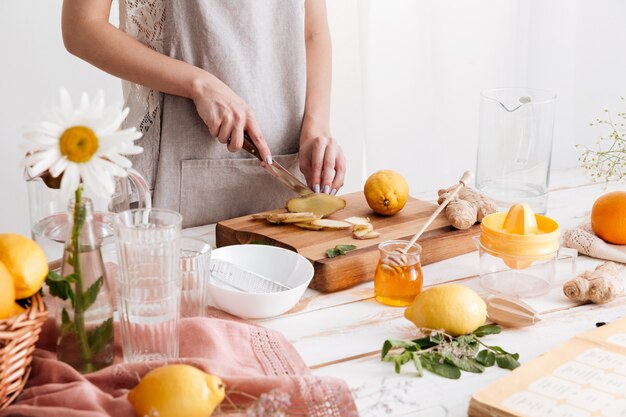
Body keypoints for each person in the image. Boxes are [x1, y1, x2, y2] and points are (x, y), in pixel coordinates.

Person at [62, 0, 346, 227]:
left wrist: (317, 126)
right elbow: (81, 28)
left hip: (289, 165)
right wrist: (199, 84)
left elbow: (312, 30)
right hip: (171, 175)